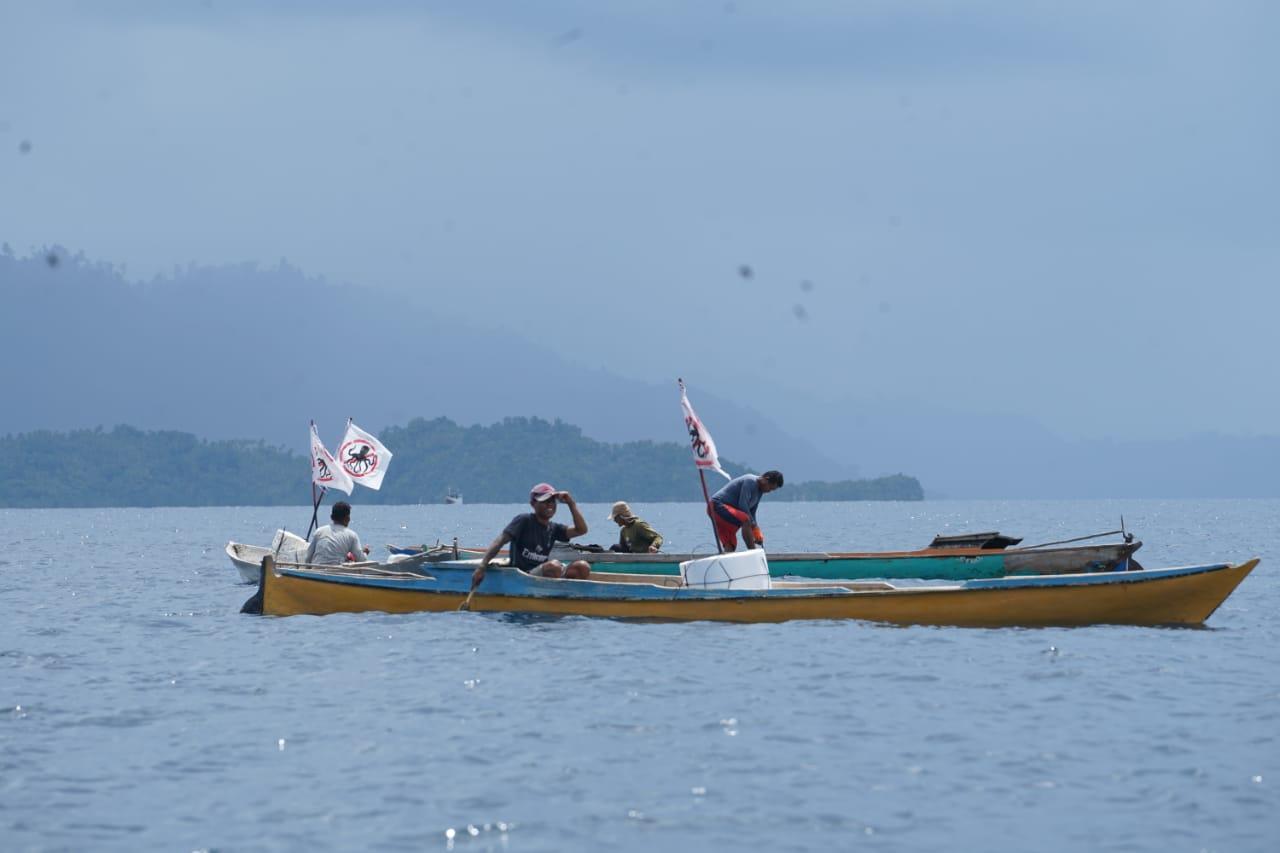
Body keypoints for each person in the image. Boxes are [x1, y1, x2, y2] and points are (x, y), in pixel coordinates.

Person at [472, 483, 591, 586]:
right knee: (554, 567)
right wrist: (482, 566)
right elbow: (500, 541)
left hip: (543, 574)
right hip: (523, 576)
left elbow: (581, 530)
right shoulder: (524, 520)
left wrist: (571, 503)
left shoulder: (554, 528)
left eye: (552, 501)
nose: (549, 504)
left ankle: (567, 596)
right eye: (544, 501)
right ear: (533, 504)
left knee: (582, 567)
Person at [709, 470, 783, 551]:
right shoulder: (750, 481)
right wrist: (753, 526)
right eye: (770, 487)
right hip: (716, 506)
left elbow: (752, 513)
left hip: (725, 512)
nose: (769, 491)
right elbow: (743, 506)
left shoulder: (760, 491)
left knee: (730, 545)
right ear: (765, 479)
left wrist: (756, 530)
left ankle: (726, 562)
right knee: (745, 520)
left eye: (772, 490)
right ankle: (753, 552)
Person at [304, 500, 371, 565]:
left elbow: (307, 558)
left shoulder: (319, 531)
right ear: (348, 518)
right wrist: (364, 553)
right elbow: (362, 560)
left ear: (331, 517)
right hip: (336, 573)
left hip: (316, 571)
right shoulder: (352, 535)